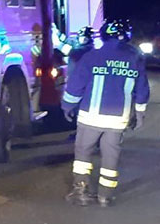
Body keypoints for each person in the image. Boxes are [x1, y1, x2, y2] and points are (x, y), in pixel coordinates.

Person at [62, 19, 149, 207]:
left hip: (90, 117)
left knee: (83, 152)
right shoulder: (135, 58)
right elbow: (142, 89)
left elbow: (76, 86)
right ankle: (105, 196)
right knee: (111, 155)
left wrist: (67, 106)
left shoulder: (92, 56)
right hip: (117, 119)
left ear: (103, 35)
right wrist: (140, 113)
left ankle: (81, 191)